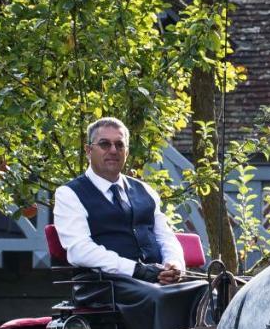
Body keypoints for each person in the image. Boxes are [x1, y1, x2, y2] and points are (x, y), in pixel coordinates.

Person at [53, 117, 184, 284]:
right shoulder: (69, 194)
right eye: (105, 144)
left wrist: (174, 264)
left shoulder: (146, 191)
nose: (113, 150)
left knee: (210, 294)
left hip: (157, 282)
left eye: (120, 145)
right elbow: (80, 250)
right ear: (88, 150)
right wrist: (136, 270)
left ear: (127, 152)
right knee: (167, 300)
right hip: (108, 286)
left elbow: (165, 237)